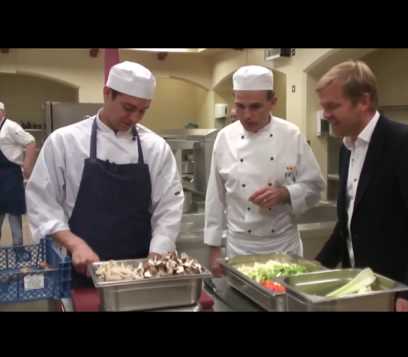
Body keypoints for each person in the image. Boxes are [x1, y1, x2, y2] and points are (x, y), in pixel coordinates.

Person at [26, 61, 184, 288]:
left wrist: (158, 253)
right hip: (81, 270)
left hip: (139, 271)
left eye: (143, 111)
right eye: (128, 108)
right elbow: (42, 202)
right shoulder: (64, 142)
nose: (135, 118)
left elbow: (169, 205)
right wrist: (75, 244)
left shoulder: (156, 148)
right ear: (107, 93)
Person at [314, 60, 408, 311]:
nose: (325, 115)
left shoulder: (405, 143)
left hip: (401, 295)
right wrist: (316, 268)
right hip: (362, 290)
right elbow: (347, 223)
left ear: (364, 101)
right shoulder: (346, 148)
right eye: (324, 107)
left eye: (333, 106)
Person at [204, 65, 325, 275]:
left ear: (273, 103)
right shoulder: (224, 138)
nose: (246, 115)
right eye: (240, 106)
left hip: (283, 246)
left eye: (255, 106)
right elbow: (215, 197)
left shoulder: (291, 135)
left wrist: (285, 193)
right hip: (239, 247)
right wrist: (214, 249)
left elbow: (315, 187)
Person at [0, 101, 36, 247]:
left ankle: (18, 250)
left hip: (11, 175)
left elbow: (30, 142)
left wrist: (27, 167)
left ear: (2, 112)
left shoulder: (11, 126)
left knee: (13, 213)